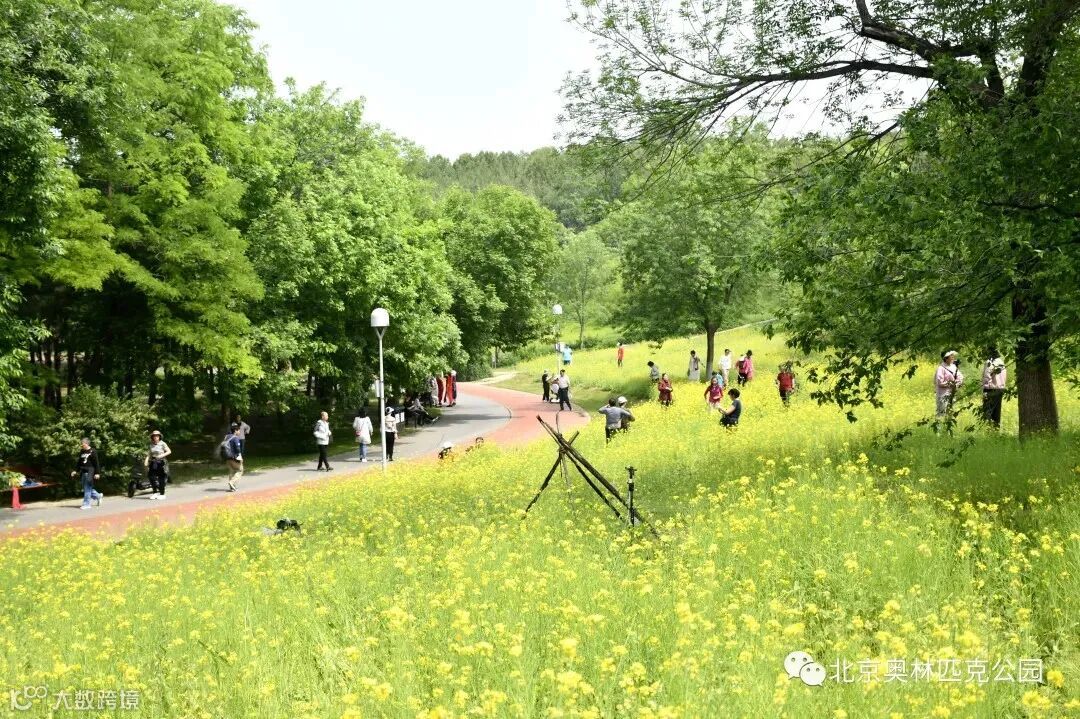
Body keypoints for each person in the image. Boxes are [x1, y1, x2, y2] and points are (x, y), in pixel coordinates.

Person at [71, 437, 103, 510]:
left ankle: (87, 504)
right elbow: (79, 462)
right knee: (85, 488)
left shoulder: (93, 451)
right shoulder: (82, 451)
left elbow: (96, 463)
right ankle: (98, 496)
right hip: (83, 472)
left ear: (86, 443)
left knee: (87, 488)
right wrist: (75, 470)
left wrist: (97, 473)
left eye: (82, 444)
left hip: (90, 471)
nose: (81, 445)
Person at [981, 348, 1007, 428]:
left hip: (990, 389)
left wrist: (984, 387)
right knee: (997, 412)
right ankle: (996, 429)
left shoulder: (989, 362)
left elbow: (986, 376)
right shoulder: (1001, 362)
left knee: (987, 412)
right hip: (1000, 389)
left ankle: (988, 430)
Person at [935, 350, 964, 418]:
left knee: (950, 413)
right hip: (943, 394)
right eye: (951, 356)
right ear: (946, 358)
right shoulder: (940, 368)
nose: (953, 357)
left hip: (952, 393)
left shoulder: (953, 366)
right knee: (942, 413)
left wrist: (958, 383)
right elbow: (939, 382)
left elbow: (960, 377)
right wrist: (950, 384)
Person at [144, 429, 171, 500]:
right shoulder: (151, 444)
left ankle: (162, 494)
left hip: (161, 462)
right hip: (153, 462)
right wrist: (146, 460)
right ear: (152, 437)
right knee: (151, 477)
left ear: (159, 437)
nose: (155, 437)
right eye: (154, 436)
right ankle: (155, 493)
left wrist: (161, 455)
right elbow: (149, 454)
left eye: (157, 436)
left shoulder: (163, 443)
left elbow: (169, 451)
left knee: (161, 478)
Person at [225, 423, 244, 491]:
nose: (239, 432)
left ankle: (232, 487)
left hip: (227, 457)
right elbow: (238, 449)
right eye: (238, 430)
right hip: (234, 458)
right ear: (235, 430)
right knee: (240, 470)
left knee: (231, 471)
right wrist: (240, 458)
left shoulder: (226, 437)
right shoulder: (235, 438)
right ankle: (232, 482)